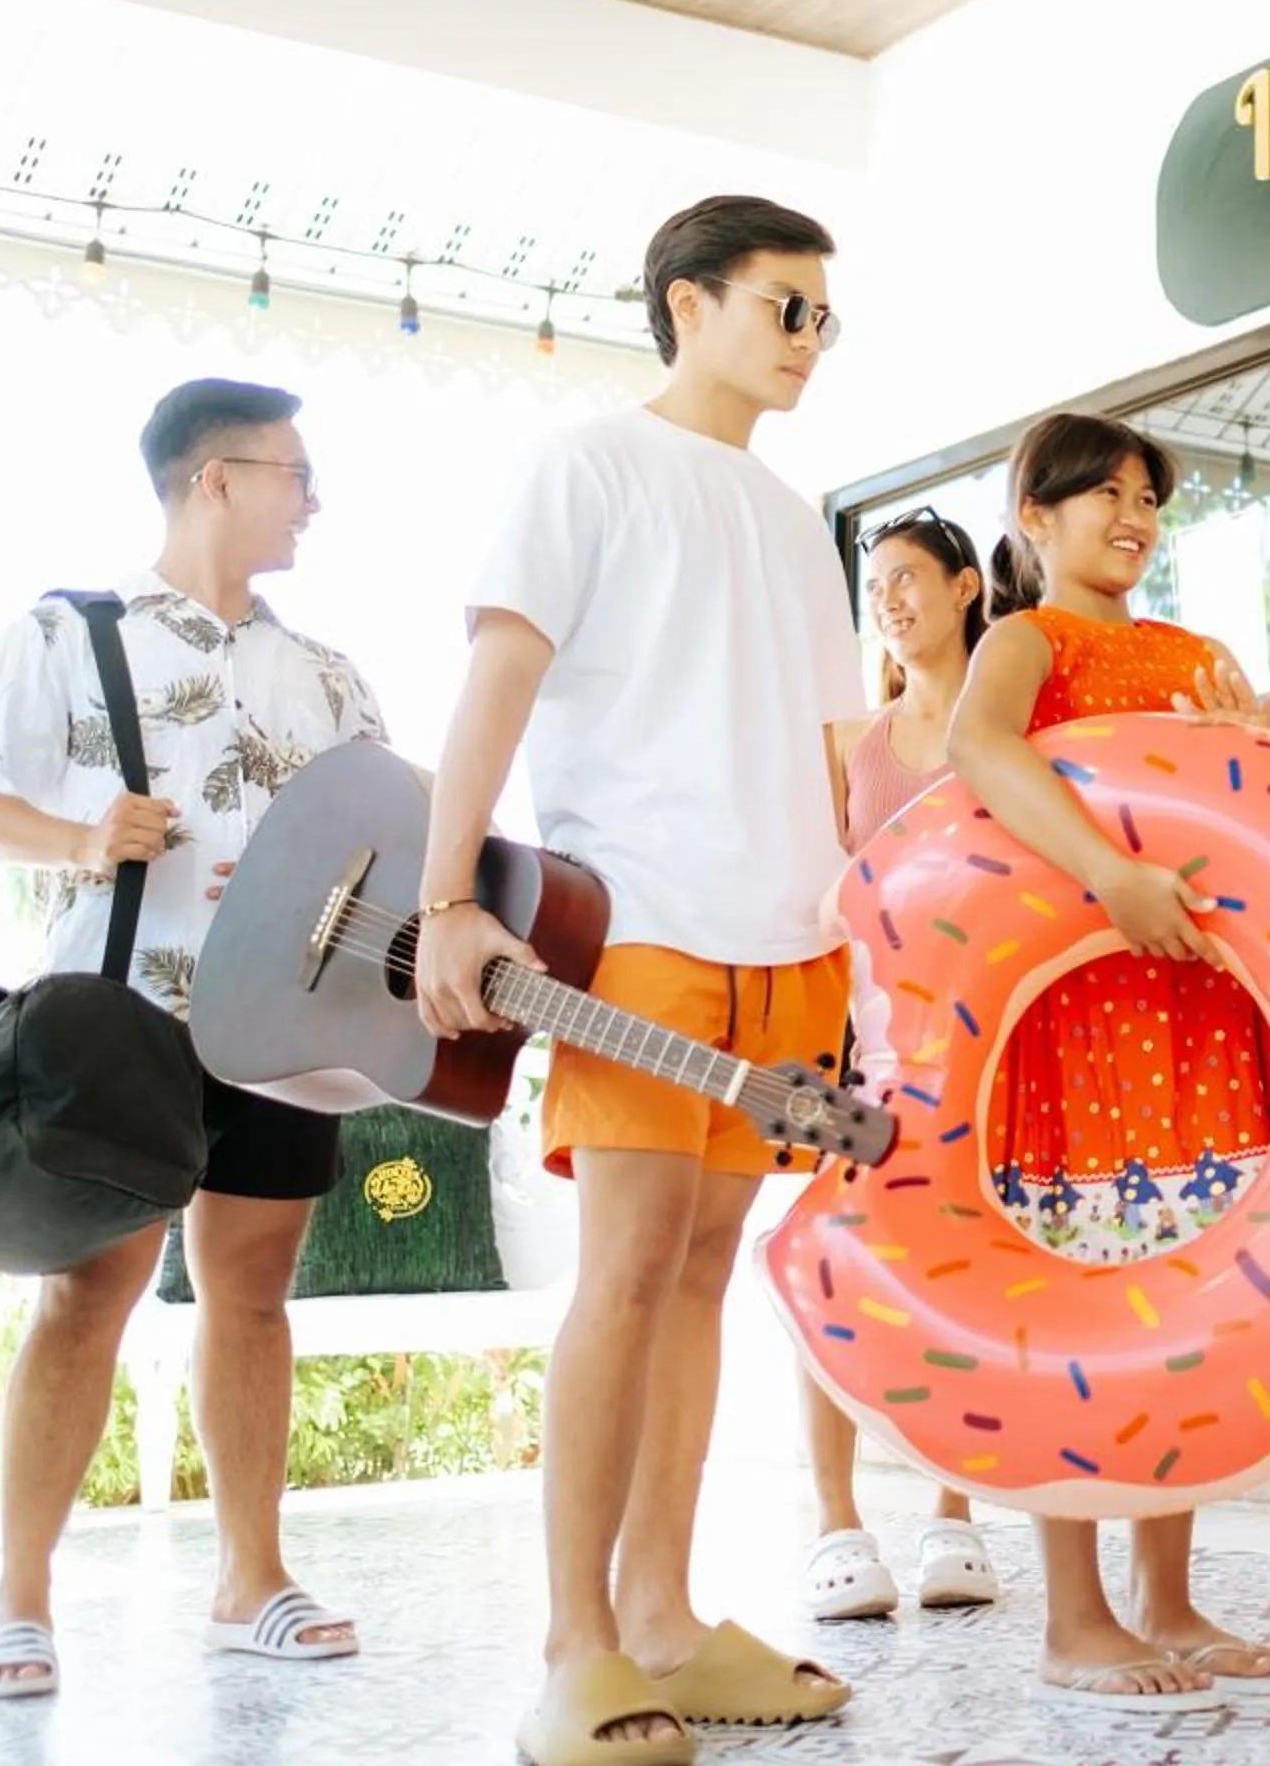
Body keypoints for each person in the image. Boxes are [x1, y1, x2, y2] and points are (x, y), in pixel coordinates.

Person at [415, 197, 862, 1766]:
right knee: (623, 1271)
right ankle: (575, 1647)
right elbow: (498, 681)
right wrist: (448, 895)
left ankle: (666, 1617)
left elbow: (839, 751)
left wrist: (869, 941)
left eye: (824, 316)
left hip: (793, 948)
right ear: (690, 303)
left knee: (702, 1273)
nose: (810, 338)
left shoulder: (796, 516)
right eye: (784, 307)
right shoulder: (584, 466)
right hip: (646, 935)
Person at [0, 378, 384, 1699]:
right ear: (214, 480)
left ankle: (252, 1579)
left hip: (285, 1028)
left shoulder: (327, 675)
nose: (313, 501)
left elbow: (390, 849)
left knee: (252, 1295)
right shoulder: (70, 634)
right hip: (118, 1014)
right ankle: (20, 1603)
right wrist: (78, 840)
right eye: (295, 475)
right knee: (87, 1295)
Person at [944, 410, 1270, 1711]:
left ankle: (1169, 1597)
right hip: (1081, 1020)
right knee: (1082, 1318)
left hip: (1198, 1024)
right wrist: (1108, 874)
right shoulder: (1025, 641)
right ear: (1036, 517)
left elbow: (1255, 817)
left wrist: (1253, 736)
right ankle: (1075, 1618)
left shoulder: (1194, 653)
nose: (1134, 514)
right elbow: (978, 751)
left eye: (1149, 493)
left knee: (1189, 1320)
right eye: (1104, 492)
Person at [801, 507, 1001, 1620]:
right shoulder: (850, 744)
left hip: (981, 1040)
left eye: (912, 576)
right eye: (876, 582)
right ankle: (836, 1520)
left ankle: (955, 1515)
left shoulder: (1006, 728)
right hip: (859, 1042)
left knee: (964, 1270)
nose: (890, 596)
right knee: (831, 1265)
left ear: (969, 587)